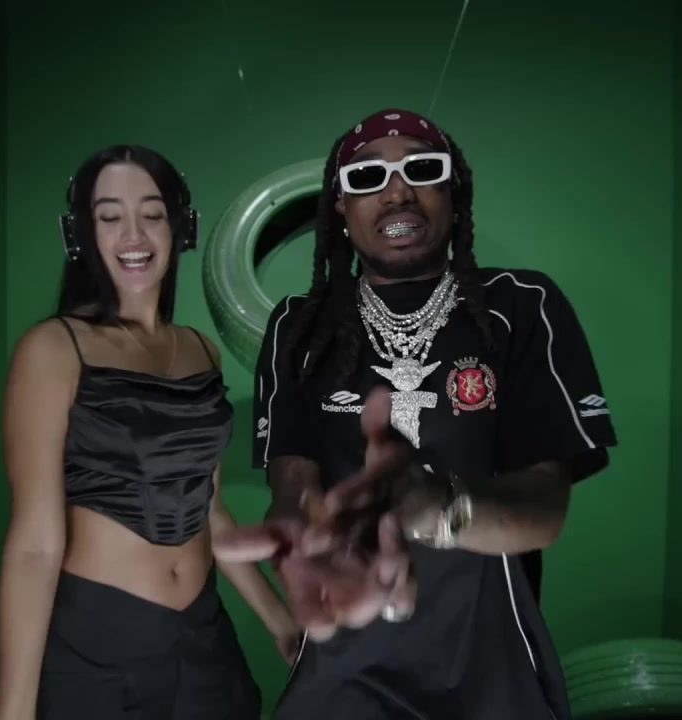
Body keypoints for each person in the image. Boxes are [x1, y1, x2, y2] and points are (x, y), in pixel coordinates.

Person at [214, 109, 618, 719]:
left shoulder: (521, 305)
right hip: (345, 655)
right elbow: (292, 489)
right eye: (367, 177)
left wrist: (431, 507)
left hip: (488, 655)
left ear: (452, 192)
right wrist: (311, 537)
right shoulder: (299, 327)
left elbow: (544, 507)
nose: (397, 191)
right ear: (340, 208)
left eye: (422, 170)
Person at [0, 145, 298, 720]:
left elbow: (210, 510)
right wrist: (13, 714)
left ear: (181, 228)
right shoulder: (53, 348)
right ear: (81, 234)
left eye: (152, 214)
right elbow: (34, 546)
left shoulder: (201, 350)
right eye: (109, 216)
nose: (133, 234)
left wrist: (281, 621)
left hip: (204, 637)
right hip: (97, 646)